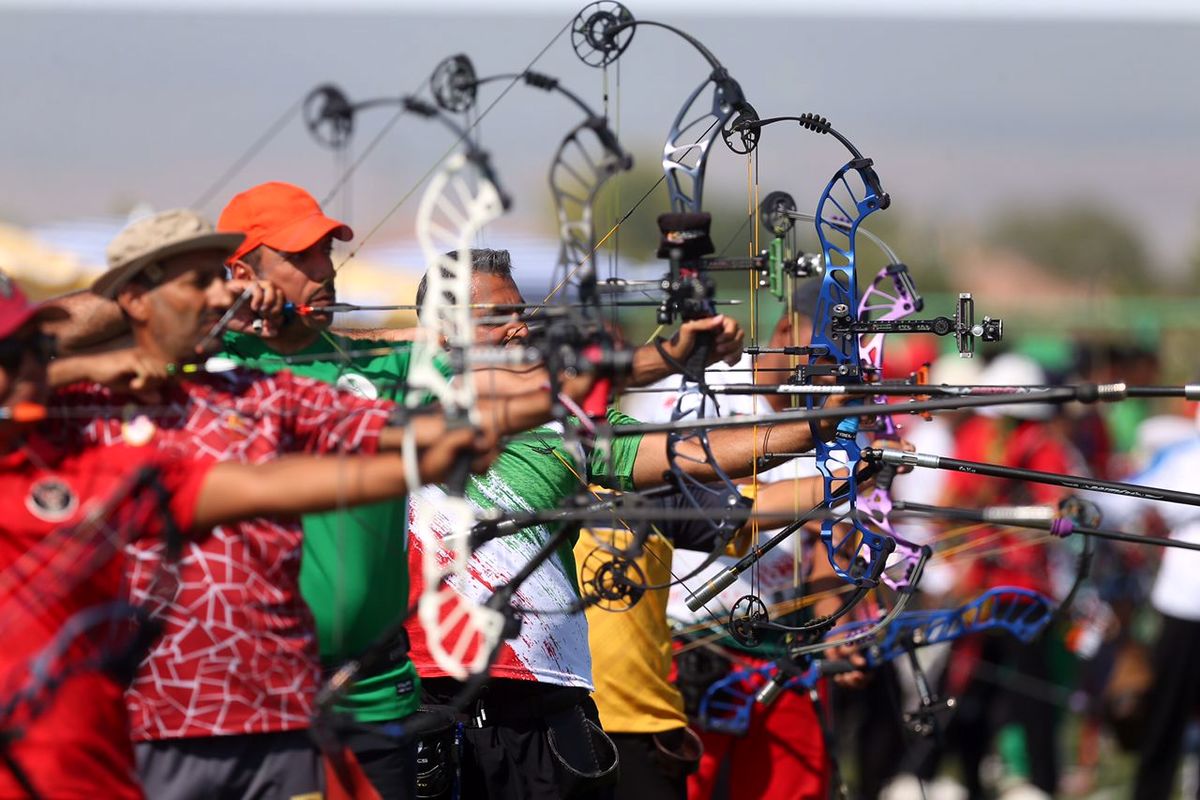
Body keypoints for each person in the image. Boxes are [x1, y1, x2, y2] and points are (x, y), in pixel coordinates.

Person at [44, 209, 574, 799]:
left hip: (337, 696)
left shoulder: (294, 383)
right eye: (302, 258)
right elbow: (35, 339)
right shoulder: (156, 383)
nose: (324, 271)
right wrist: (200, 302)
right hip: (180, 704)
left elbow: (431, 373)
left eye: (325, 255)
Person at [0, 269, 488, 799]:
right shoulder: (75, 421)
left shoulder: (151, 437)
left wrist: (431, 450)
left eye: (33, 349)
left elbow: (259, 486)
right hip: (131, 733)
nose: (26, 367)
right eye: (12, 354)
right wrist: (110, 342)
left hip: (240, 721)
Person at [404, 248, 838, 800]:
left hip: (549, 701)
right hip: (438, 706)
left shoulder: (564, 417)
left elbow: (686, 453)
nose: (518, 328)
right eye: (495, 318)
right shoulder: (405, 399)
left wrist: (812, 429)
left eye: (521, 313)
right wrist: (669, 356)